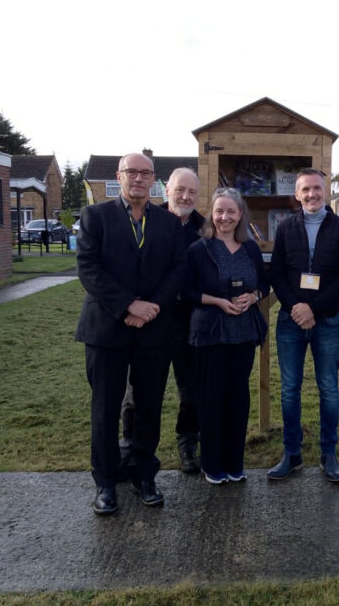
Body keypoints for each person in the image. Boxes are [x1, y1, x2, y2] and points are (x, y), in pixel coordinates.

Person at [76, 152, 185, 515]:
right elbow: (88, 269)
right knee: (105, 409)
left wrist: (150, 306)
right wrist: (128, 306)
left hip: (154, 330)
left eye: (145, 173)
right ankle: (106, 483)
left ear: (154, 180)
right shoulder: (96, 217)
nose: (138, 179)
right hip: (107, 329)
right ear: (119, 177)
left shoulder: (167, 223)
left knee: (149, 408)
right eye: (131, 172)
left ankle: (144, 476)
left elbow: (178, 270)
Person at [267, 168, 339, 483]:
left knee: (328, 388)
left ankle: (328, 453)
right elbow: (276, 272)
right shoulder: (287, 228)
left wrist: (312, 308)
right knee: (290, 389)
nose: (311, 195)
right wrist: (296, 307)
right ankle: (292, 454)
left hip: (327, 320)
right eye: (305, 190)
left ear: (325, 190)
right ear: (297, 194)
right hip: (291, 321)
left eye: (316, 188)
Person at [119, 168, 204, 475]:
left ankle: (187, 444)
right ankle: (130, 449)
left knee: (191, 390)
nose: (185, 197)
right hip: (150, 321)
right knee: (138, 391)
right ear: (166, 189)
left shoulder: (204, 228)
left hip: (190, 323)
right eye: (180, 190)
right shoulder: (145, 221)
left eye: (192, 192)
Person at [183, 188, 270, 484]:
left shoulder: (251, 249)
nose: (225, 217)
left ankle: (235, 463)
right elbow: (187, 291)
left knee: (237, 398)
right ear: (212, 214)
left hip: (244, 333)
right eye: (219, 211)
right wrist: (217, 301)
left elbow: (265, 285)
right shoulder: (199, 249)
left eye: (231, 211)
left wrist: (254, 296)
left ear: (240, 215)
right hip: (210, 333)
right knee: (212, 398)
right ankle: (212, 464)